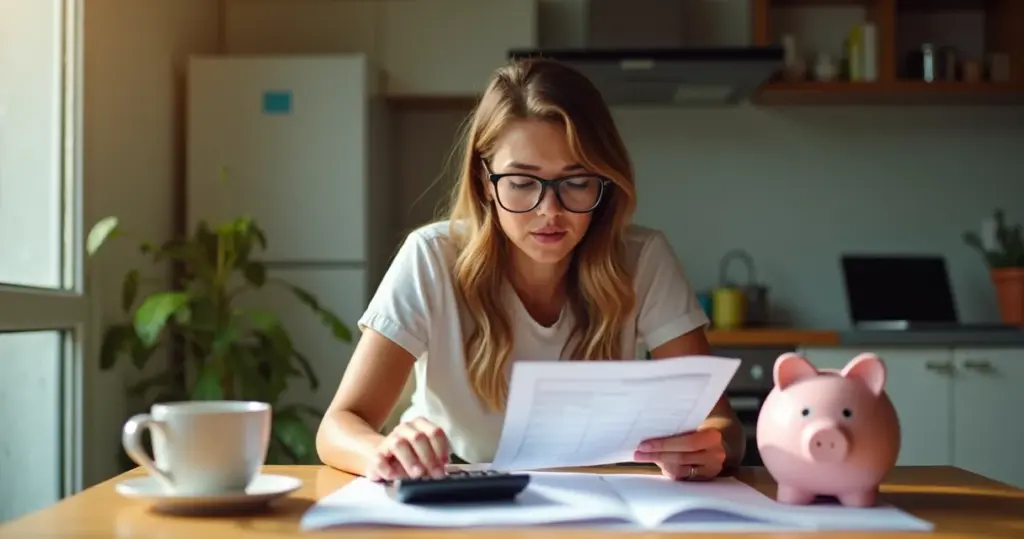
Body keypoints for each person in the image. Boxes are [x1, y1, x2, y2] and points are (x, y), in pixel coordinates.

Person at [315, 57, 745, 483]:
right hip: (456, 485)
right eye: (522, 183)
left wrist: (710, 447)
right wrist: (382, 451)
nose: (550, 212)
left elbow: (724, 427)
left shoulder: (643, 258)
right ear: (486, 181)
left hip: (599, 491)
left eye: (576, 182)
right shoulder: (430, 257)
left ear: (605, 181)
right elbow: (339, 424)